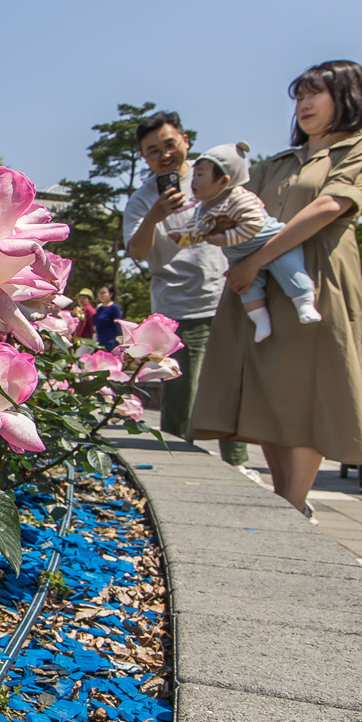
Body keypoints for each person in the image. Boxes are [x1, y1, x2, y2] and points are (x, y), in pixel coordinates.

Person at [192, 60, 362, 520]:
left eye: (314, 94)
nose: (303, 104)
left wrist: (258, 259)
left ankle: (292, 504)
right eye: (299, 96)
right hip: (256, 282)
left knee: (306, 389)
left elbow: (329, 206)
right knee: (266, 388)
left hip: (317, 278)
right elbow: (245, 214)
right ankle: (287, 502)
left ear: (349, 97)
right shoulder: (277, 163)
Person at [124, 111, 246, 465]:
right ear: (144, 157)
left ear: (185, 141)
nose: (163, 154)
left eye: (169, 144)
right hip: (179, 307)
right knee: (181, 390)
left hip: (228, 297)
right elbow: (136, 250)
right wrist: (155, 216)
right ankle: (179, 460)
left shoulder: (215, 177)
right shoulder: (143, 200)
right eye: (152, 150)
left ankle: (236, 462)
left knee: (230, 386)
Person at [188, 142, 321, 342]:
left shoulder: (241, 199)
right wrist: (191, 235)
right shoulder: (203, 206)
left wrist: (225, 238)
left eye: (200, 175)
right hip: (240, 255)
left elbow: (254, 224)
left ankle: (305, 304)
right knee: (248, 291)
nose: (193, 181)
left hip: (271, 243)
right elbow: (200, 227)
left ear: (224, 181)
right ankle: (261, 322)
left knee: (291, 271)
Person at [92, 285, 124, 350]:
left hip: (111, 342)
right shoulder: (99, 309)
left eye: (103, 293)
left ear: (111, 294)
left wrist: (119, 341)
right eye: (100, 293)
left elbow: (118, 325)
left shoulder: (114, 308)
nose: (101, 295)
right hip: (100, 342)